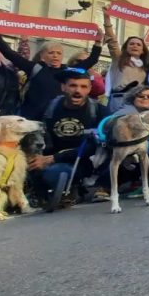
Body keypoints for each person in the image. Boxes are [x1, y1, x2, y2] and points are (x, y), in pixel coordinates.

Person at [29, 68, 110, 206]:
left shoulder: (99, 111)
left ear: (89, 89)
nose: (78, 91)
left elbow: (100, 145)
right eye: (73, 85)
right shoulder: (49, 108)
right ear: (63, 87)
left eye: (83, 86)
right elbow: (30, 132)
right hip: (48, 158)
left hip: (84, 161)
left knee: (55, 172)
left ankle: (74, 189)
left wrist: (54, 159)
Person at [0, 33, 103, 120]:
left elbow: (92, 60)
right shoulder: (35, 68)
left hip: (55, 118)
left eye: (59, 53)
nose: (55, 56)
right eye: (51, 53)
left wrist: (98, 43)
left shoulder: (67, 71)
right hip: (31, 118)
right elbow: (9, 53)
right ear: (42, 56)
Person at [106, 84, 149, 199]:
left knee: (142, 145)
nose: (145, 99)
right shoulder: (124, 113)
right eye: (140, 96)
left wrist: (145, 132)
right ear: (133, 98)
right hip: (125, 146)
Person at [101, 16, 148, 112]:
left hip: (137, 101)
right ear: (126, 47)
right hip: (119, 99)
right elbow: (111, 40)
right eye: (131, 44)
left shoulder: (145, 67)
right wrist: (107, 18)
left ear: (143, 51)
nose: (135, 46)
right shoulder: (119, 59)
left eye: (138, 44)